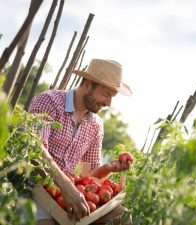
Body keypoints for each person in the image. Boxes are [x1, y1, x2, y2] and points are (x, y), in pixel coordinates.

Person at [29, 59, 133, 225]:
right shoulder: (49, 102)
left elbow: (88, 176)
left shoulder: (96, 125)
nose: (108, 103)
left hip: (68, 196)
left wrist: (109, 168)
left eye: (112, 97)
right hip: (36, 188)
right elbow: (35, 150)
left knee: (122, 217)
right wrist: (65, 186)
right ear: (88, 84)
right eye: (106, 94)